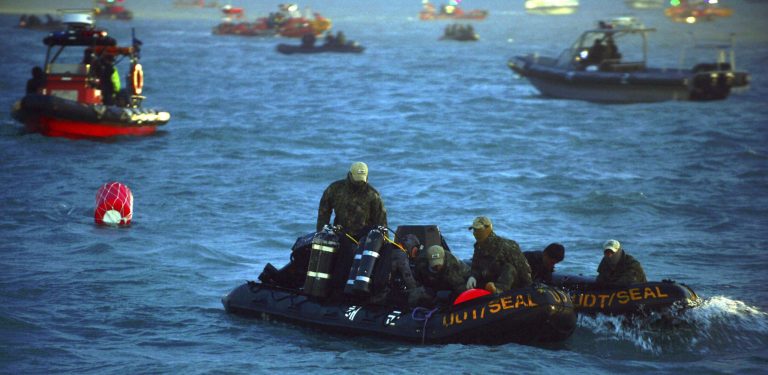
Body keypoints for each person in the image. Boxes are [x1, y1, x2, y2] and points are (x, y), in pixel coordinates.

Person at [466, 216, 532, 294]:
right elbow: (475, 266)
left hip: (511, 284)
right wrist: (472, 277)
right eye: (474, 230)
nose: (475, 233)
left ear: (487, 229)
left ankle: (498, 290)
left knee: (509, 267)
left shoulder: (507, 245)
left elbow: (522, 268)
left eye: (478, 230)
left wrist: (529, 289)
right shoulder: (479, 247)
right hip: (491, 281)